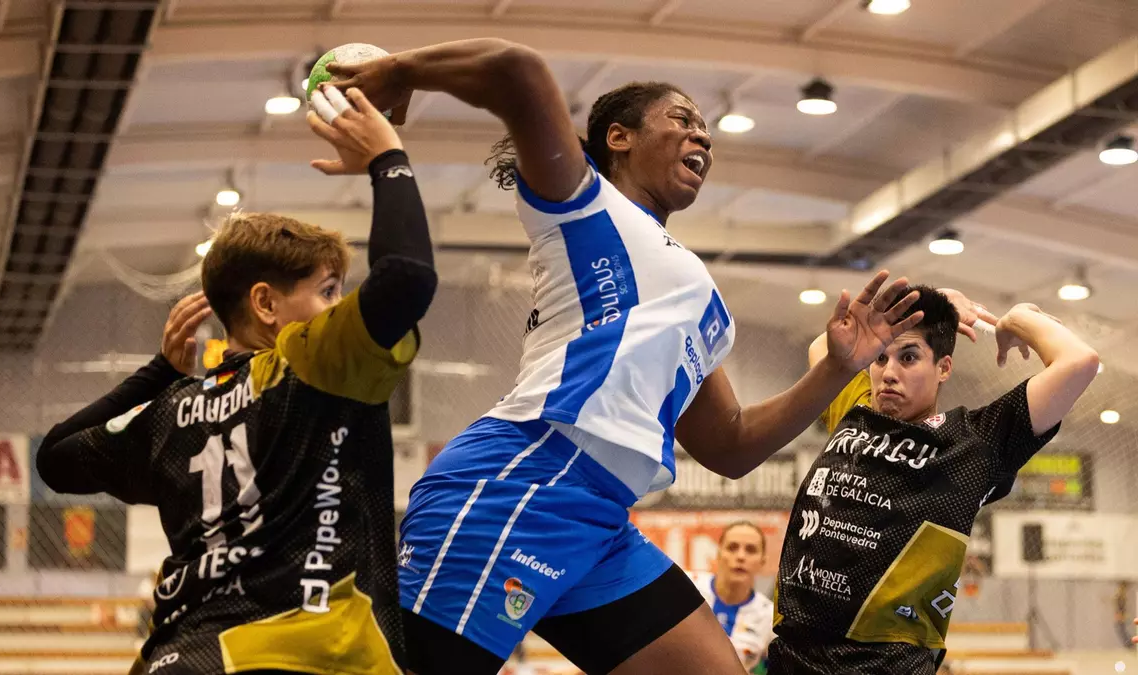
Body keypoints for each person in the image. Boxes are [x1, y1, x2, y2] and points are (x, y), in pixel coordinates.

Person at [324, 38, 925, 675]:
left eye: (706, 130)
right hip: (522, 480)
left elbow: (730, 445)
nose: (702, 136)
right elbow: (517, 70)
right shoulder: (581, 203)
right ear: (619, 138)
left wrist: (835, 368)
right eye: (682, 119)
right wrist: (400, 71)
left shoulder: (701, 297)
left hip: (602, 517)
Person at [36, 89, 436, 675]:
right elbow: (406, 276)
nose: (339, 307)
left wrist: (159, 373)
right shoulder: (309, 362)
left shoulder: (169, 411)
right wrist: (388, 159)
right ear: (266, 304)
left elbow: (54, 458)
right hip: (307, 657)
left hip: (180, 657)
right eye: (328, 291)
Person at [769, 287, 1100, 674]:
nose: (888, 373)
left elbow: (1079, 361)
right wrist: (934, 299)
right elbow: (825, 348)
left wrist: (1016, 321)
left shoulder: (975, 442)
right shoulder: (856, 409)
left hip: (884, 665)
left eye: (909, 358)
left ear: (944, 368)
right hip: (793, 655)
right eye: (880, 358)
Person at [692, 522, 775, 674]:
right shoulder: (688, 588)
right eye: (732, 548)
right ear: (718, 554)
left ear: (762, 562)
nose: (740, 556)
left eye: (751, 550)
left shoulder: (769, 617)